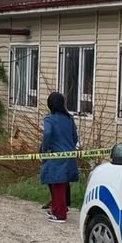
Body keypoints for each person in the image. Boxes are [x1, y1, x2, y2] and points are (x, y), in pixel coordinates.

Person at [40, 92, 80, 223]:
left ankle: (59, 214)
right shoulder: (69, 118)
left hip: (56, 156)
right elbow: (75, 138)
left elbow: (47, 133)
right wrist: (69, 147)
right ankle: (59, 208)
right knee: (62, 184)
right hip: (70, 155)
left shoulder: (49, 119)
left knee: (56, 184)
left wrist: (45, 149)